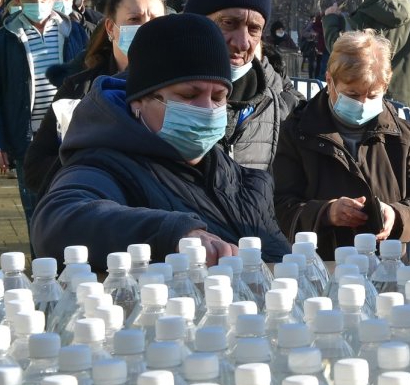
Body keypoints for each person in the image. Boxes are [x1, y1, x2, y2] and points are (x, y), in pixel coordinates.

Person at [32, 13, 290, 267]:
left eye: (218, 97)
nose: (207, 109)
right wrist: (173, 234)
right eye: (189, 95)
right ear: (139, 102)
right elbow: (58, 221)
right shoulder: (103, 164)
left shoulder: (244, 180)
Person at [272, 30, 410, 262]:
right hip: (322, 268)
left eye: (372, 95)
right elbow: (280, 205)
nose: (362, 104)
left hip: (385, 267)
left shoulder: (400, 134)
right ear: (330, 82)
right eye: (352, 94)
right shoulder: (296, 131)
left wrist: (395, 215)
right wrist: (326, 212)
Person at [23, 0, 167, 193]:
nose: (145, 29)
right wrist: (89, 173)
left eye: (155, 21)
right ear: (110, 28)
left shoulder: (184, 89)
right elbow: (35, 166)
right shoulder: (78, 89)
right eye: (134, 19)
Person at [183, 0, 300, 170]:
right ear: (194, 22)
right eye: (228, 23)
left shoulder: (276, 104)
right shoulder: (152, 98)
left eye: (254, 29)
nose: (242, 43)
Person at [0, 0, 90, 223]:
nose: (37, 1)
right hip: (27, 137)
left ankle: (70, 263)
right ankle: (42, 261)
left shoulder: (74, 31)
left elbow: (88, 77)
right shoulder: (5, 38)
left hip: (71, 134)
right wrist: (0, 142)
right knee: (36, 213)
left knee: (75, 207)